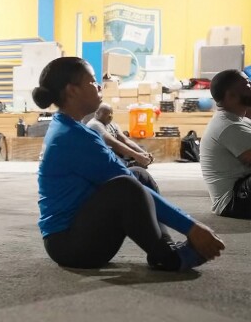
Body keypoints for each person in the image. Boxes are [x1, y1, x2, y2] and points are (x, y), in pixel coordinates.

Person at [33, 57, 224, 271]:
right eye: (92, 81)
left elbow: (131, 178)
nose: (98, 86)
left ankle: (163, 247)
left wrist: (189, 227)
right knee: (126, 186)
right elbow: (129, 188)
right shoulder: (72, 137)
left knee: (138, 175)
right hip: (69, 246)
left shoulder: (70, 128)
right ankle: (168, 257)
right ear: (72, 90)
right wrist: (192, 228)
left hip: (78, 232)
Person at [200, 69, 251, 219]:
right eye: (247, 84)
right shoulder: (229, 126)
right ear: (231, 95)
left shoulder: (238, 119)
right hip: (233, 201)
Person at [86, 103, 153, 168]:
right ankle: (128, 165)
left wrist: (144, 154)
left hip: (116, 152)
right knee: (107, 153)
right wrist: (137, 156)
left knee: (140, 147)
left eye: (111, 113)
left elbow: (125, 140)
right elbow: (114, 143)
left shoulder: (112, 124)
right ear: (97, 114)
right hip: (102, 155)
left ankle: (132, 163)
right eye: (106, 113)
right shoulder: (94, 124)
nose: (110, 116)